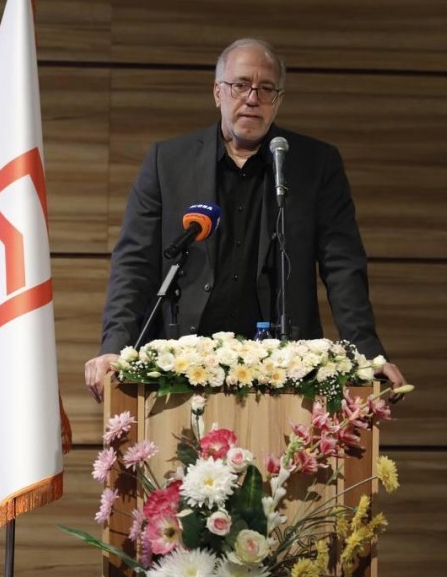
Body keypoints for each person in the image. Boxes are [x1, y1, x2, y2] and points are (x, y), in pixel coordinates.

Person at [84, 37, 406, 402]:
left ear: (278, 100)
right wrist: (115, 346)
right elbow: (134, 264)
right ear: (217, 92)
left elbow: (343, 267)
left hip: (285, 369)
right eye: (240, 85)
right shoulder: (167, 162)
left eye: (265, 88)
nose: (252, 98)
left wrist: (369, 356)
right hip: (182, 365)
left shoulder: (316, 164)